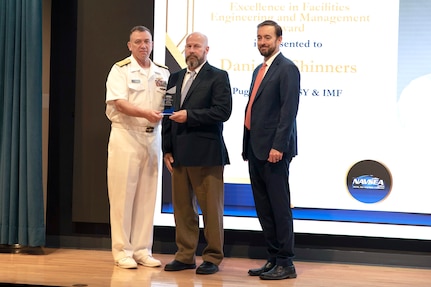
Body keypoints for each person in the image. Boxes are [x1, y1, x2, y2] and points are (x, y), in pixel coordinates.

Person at [161, 32, 232, 275]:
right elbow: (167, 113)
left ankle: (212, 257)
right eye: (189, 46)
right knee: (182, 209)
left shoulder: (218, 77)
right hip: (179, 153)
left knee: (211, 210)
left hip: (207, 154)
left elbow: (223, 111)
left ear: (206, 50)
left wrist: (190, 116)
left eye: (197, 46)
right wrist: (166, 149)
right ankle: (185, 255)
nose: (192, 50)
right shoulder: (175, 77)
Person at [105, 25, 170, 269]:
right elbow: (119, 103)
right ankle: (122, 250)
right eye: (138, 42)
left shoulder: (162, 72)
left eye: (147, 41)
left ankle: (143, 249)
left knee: (147, 196)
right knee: (123, 197)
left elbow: (170, 102)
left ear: (152, 44)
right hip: (126, 136)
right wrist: (145, 113)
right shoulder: (120, 70)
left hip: (153, 139)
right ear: (129, 45)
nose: (143, 46)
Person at [242, 20, 300, 280]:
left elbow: (288, 112)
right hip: (255, 149)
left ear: (279, 39)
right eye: (259, 38)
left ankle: (286, 263)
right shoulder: (259, 69)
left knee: (279, 207)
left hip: (274, 150)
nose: (262, 42)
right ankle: (273, 257)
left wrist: (278, 146)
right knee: (264, 208)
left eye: (267, 37)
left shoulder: (287, 68)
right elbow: (254, 108)